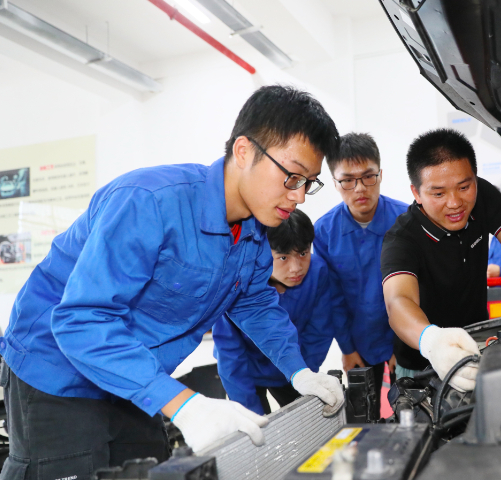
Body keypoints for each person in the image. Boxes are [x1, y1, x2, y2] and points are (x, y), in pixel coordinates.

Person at [0, 86, 345, 479]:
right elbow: (82, 320)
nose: (299, 196)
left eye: (309, 182)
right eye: (291, 176)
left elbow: (254, 304)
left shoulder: (253, 232)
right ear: (245, 151)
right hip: (57, 371)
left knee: (151, 470)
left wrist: (299, 372)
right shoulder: (149, 202)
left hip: (133, 372)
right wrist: (186, 405)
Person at [381, 128, 501, 391]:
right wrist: (433, 342)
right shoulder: (401, 239)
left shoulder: (482, 196)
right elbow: (397, 302)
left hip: (480, 345)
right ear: (416, 193)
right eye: (438, 193)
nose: (455, 202)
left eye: (464, 186)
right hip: (422, 363)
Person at [213, 209, 335, 416]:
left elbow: (319, 332)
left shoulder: (318, 272)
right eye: (283, 257)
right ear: (261, 252)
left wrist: (304, 373)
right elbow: (230, 354)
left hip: (295, 367)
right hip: (246, 373)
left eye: (303, 253)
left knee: (305, 424)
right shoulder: (235, 282)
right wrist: (251, 412)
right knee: (256, 428)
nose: (296, 268)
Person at [313, 133, 408, 391]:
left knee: (414, 408)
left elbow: (419, 287)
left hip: (406, 336)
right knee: (366, 415)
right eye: (347, 180)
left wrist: (404, 344)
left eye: (368, 176)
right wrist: (347, 348)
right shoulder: (323, 232)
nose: (360, 188)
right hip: (358, 344)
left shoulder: (406, 220)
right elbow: (332, 298)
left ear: (380, 174)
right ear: (334, 182)